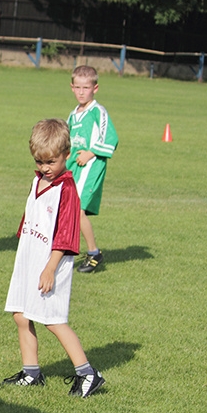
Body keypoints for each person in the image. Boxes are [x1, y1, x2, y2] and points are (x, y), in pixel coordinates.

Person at [3, 118, 105, 398]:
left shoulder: (67, 190)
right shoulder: (39, 179)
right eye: (39, 161)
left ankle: (88, 374)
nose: (44, 168)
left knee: (52, 319)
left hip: (51, 263)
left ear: (66, 155)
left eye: (51, 162)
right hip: (29, 258)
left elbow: (64, 234)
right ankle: (31, 373)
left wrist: (49, 268)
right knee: (21, 315)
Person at [66, 65, 118, 273]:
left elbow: (110, 138)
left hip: (91, 167)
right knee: (69, 209)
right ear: (72, 87)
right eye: (77, 87)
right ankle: (66, 252)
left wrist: (91, 153)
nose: (81, 91)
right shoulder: (73, 115)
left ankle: (94, 253)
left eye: (85, 87)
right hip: (75, 168)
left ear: (95, 88)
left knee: (77, 210)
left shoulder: (98, 112)